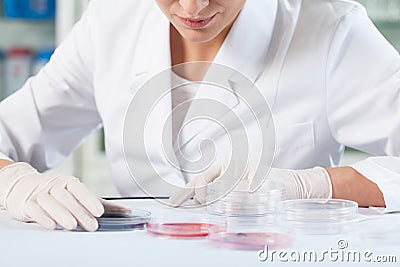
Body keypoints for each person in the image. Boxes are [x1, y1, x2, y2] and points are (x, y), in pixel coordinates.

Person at [0, 0, 399, 232]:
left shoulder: (331, 29)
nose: (193, 8)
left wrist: (311, 186)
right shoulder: (112, 19)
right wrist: (12, 181)